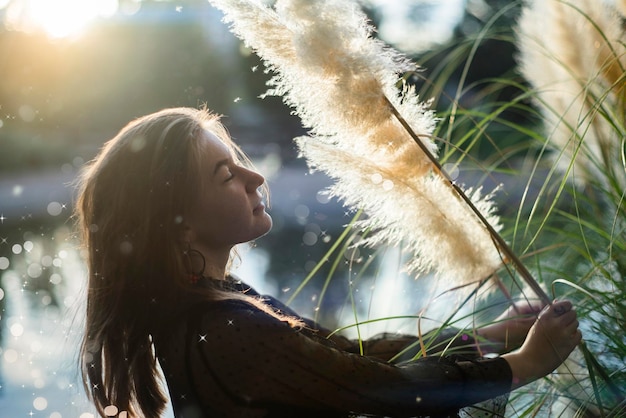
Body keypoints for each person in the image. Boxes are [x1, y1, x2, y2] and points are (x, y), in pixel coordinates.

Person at [75, 107, 582, 418]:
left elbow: (351, 355)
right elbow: (381, 389)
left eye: (239, 158)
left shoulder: (218, 303)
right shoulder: (225, 328)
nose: (255, 176)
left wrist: (494, 336)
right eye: (225, 174)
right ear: (178, 220)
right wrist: (525, 364)